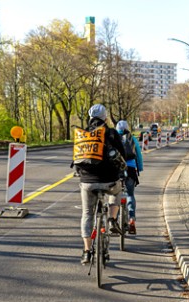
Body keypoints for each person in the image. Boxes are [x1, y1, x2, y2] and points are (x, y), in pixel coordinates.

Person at [76, 104, 126, 265]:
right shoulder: (111, 133)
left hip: (87, 182)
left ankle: (86, 251)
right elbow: (122, 156)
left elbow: (77, 159)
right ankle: (112, 219)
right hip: (110, 180)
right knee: (117, 192)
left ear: (90, 118)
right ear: (105, 118)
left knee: (87, 214)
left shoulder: (83, 134)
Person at [116, 120, 143, 234]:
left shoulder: (113, 138)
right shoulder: (132, 139)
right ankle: (132, 219)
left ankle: (115, 220)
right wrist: (140, 168)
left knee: (115, 196)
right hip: (130, 170)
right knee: (130, 195)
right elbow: (138, 155)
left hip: (117, 170)